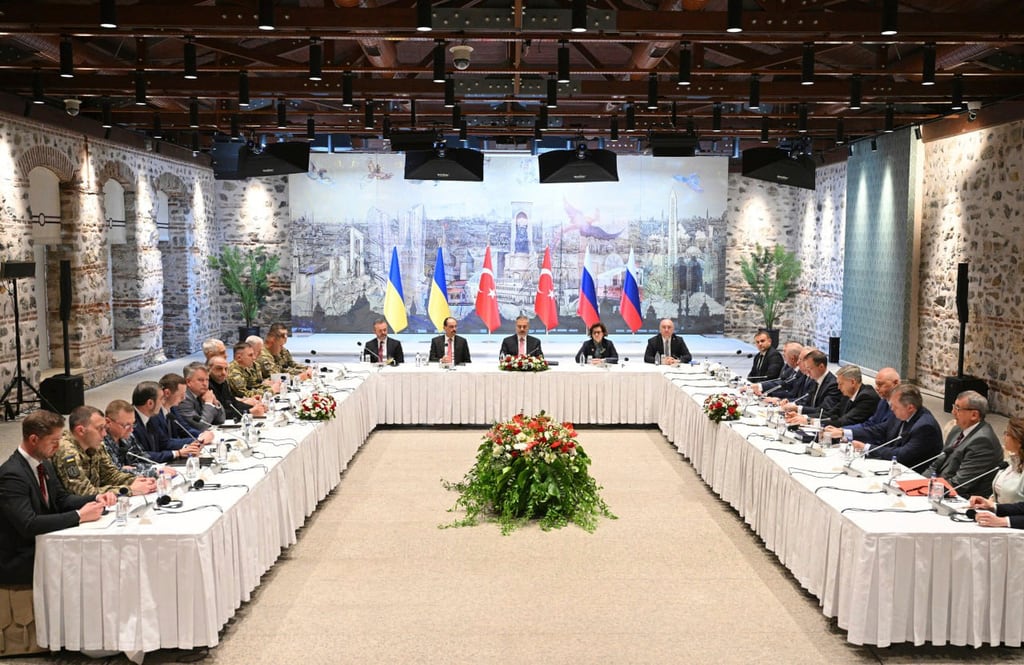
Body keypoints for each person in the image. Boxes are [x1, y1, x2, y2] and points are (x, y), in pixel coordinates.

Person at [0, 410, 115, 586]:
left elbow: (61, 499)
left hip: (44, 548)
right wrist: (79, 516)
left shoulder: (44, 463)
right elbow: (28, 524)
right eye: (54, 441)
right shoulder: (12, 475)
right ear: (33, 439)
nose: (58, 446)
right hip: (19, 561)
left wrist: (96, 497)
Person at [54, 406, 155, 497]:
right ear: (81, 431)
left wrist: (136, 481)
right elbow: (84, 493)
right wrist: (129, 489)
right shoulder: (67, 452)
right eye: (100, 429)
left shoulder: (95, 444)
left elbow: (110, 475)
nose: (104, 434)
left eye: (104, 428)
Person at [924, 391, 1004, 498]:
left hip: (965, 498)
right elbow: (936, 464)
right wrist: (921, 482)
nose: (953, 412)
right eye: (954, 407)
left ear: (974, 415)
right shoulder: (957, 429)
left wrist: (928, 489)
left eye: (958, 409)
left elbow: (960, 484)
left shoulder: (983, 441)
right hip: (939, 487)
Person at [851, 384, 942, 468]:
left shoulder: (925, 427)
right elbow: (880, 430)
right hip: (894, 465)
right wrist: (847, 433)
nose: (891, 409)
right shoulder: (902, 414)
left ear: (910, 408)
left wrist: (867, 448)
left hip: (911, 471)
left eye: (895, 406)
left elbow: (902, 455)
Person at [823, 367, 901, 442]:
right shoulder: (883, 401)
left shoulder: (900, 405)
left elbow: (880, 430)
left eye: (880, 384)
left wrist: (844, 432)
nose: (877, 388)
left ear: (896, 383)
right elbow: (870, 424)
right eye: (876, 384)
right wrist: (842, 430)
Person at [131, 381, 200, 463]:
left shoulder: (152, 418)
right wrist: (176, 453)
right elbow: (139, 456)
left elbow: (163, 442)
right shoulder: (130, 423)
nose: (163, 403)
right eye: (161, 399)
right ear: (150, 403)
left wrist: (192, 444)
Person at [103, 399, 164, 477]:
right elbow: (114, 474)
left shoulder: (128, 436)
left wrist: (132, 469)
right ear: (108, 422)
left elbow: (141, 458)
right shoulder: (101, 443)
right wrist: (152, 472)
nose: (131, 430)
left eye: (133, 424)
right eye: (127, 425)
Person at [782, 349, 841, 420]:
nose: (807, 371)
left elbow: (824, 410)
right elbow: (807, 402)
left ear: (821, 367)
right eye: (806, 368)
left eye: (809, 368)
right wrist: (793, 405)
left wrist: (800, 411)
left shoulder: (833, 385)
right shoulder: (815, 379)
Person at [208, 354, 267, 420]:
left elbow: (234, 403)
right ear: (208, 369)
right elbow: (218, 413)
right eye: (219, 369)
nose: (223, 373)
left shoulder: (223, 382)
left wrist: (255, 407)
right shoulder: (207, 386)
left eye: (226, 369)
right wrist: (248, 412)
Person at [174, 362, 226, 431]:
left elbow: (221, 420)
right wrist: (208, 403)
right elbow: (201, 426)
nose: (205, 384)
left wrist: (215, 402)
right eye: (200, 380)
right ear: (188, 382)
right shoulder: (184, 399)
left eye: (207, 380)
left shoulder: (203, 394)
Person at [988, 418, 1024, 505]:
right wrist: (987, 502)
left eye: (1007, 434)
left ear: (1019, 441)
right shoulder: (1012, 462)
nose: (1004, 437)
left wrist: (994, 507)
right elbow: (998, 492)